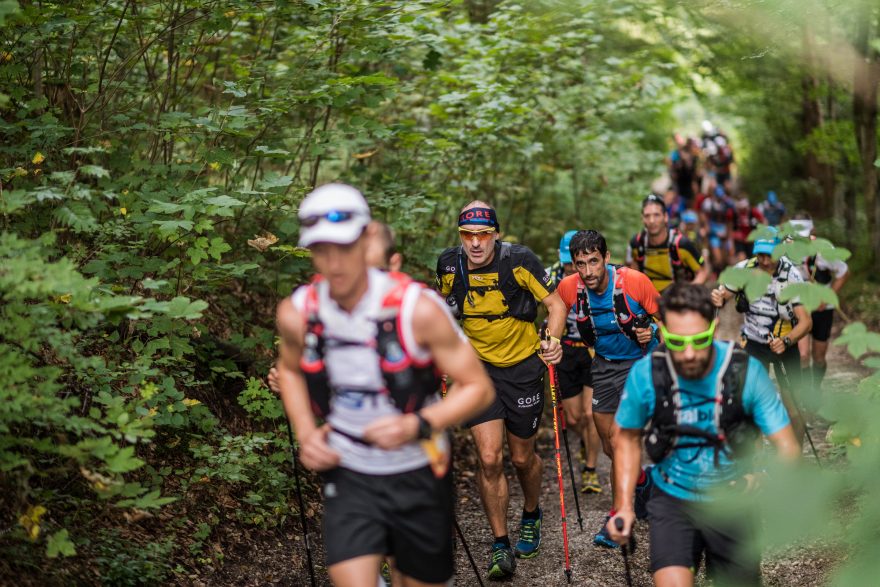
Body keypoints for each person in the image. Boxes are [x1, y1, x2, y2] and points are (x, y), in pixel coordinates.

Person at [274, 183, 495, 587]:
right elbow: (289, 370)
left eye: (343, 248)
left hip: (418, 471)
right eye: (321, 250)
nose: (333, 263)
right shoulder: (298, 312)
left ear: (367, 238)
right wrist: (306, 433)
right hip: (350, 471)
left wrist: (417, 425)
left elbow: (478, 387)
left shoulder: (418, 310)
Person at [607, 283, 800, 587]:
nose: (688, 354)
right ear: (663, 332)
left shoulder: (745, 373)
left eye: (699, 340)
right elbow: (626, 438)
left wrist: (763, 476)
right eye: (675, 341)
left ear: (713, 328)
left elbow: (787, 446)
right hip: (672, 496)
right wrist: (625, 507)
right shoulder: (647, 373)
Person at [436, 201, 566, 580]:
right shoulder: (448, 265)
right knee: (490, 458)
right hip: (476, 372)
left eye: (483, 234)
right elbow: (442, 313)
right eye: (468, 235)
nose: (476, 243)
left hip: (523, 366)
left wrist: (552, 341)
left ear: (496, 234)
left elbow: (555, 305)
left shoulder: (519, 260)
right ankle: (499, 544)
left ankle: (531, 513)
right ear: (460, 236)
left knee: (522, 458)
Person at [554, 229, 660, 548]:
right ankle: (642, 482)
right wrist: (552, 342)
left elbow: (669, 318)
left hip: (639, 365)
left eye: (594, 262)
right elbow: (555, 309)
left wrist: (653, 330)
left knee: (619, 438)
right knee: (610, 447)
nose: (587, 271)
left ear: (607, 258)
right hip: (602, 365)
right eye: (580, 264)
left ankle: (617, 516)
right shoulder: (569, 287)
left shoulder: (635, 282)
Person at [268, 220, 403, 393]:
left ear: (394, 264)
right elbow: (306, 373)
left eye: (372, 274)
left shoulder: (416, 312)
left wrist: (419, 419)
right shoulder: (314, 313)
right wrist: (290, 382)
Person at [711, 228, 812, 445]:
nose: (765, 261)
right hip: (754, 343)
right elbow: (724, 296)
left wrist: (786, 341)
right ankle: (755, 467)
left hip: (786, 344)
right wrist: (718, 296)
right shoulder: (744, 270)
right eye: (760, 255)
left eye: (770, 254)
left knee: (793, 407)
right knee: (751, 404)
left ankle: (797, 464)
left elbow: (806, 322)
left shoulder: (792, 276)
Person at [546, 230, 603, 494]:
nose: (574, 268)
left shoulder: (596, 274)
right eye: (570, 261)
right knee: (574, 416)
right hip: (566, 351)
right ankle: (585, 442)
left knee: (591, 414)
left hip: (592, 350)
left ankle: (590, 470)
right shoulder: (550, 275)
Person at [790, 214, 849, 402]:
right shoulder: (785, 249)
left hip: (823, 308)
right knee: (802, 355)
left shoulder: (824, 249)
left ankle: (815, 387)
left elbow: (844, 272)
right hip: (799, 306)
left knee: (819, 357)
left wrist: (828, 295)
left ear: (812, 232)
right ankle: (806, 395)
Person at [627, 193, 708, 293]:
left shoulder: (682, 244)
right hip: (647, 298)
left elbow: (702, 272)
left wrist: (688, 293)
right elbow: (633, 274)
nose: (652, 220)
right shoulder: (637, 244)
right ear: (642, 219)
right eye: (647, 216)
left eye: (656, 215)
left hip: (676, 298)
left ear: (665, 217)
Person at [699, 185, 735, 274]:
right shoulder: (708, 203)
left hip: (724, 229)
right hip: (713, 229)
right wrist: (706, 226)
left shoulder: (728, 203)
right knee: (717, 257)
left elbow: (730, 219)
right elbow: (702, 214)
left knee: (729, 256)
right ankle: (715, 271)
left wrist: (728, 234)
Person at [731, 192, 765, 263]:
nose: (743, 210)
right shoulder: (734, 213)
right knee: (741, 259)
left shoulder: (753, 212)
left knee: (753, 260)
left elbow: (764, 222)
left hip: (752, 241)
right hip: (740, 241)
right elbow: (730, 226)